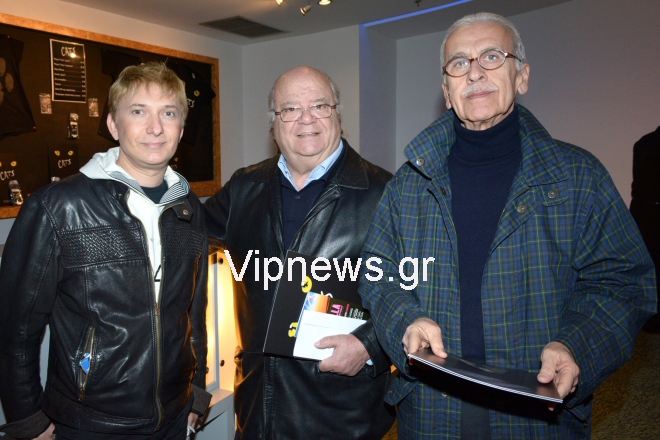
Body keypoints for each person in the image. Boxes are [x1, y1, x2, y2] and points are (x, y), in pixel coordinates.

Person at [358, 12, 657, 438]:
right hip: (431, 410)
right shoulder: (409, 183)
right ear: (447, 91)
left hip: (536, 413)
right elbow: (377, 274)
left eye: (492, 56)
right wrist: (405, 320)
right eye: (459, 63)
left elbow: (624, 283)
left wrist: (575, 345)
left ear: (522, 76)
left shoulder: (578, 177)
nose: (474, 72)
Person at [0, 62, 211, 440]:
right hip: (90, 423)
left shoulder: (189, 207)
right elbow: (15, 326)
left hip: (173, 417)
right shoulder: (58, 207)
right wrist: (28, 420)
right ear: (113, 125)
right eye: (138, 111)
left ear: (181, 128)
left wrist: (196, 389)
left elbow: (194, 311)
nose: (155, 127)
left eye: (168, 113)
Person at [204, 66, 395, 439]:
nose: (306, 118)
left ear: (337, 114)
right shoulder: (244, 187)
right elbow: (183, 236)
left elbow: (421, 291)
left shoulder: (385, 192)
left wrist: (369, 344)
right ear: (274, 124)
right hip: (258, 410)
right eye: (290, 108)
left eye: (319, 105)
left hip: (343, 416)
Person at [630, 126, 660, 332]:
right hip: (647, 217)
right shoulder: (644, 144)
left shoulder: (643, 143)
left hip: (644, 216)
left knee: (648, 276)